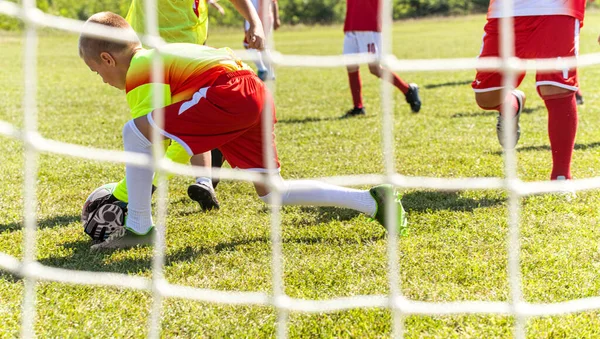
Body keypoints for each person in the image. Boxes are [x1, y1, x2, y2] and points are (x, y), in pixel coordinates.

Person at [78, 12, 408, 250]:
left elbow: (152, 143)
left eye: (96, 73)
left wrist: (123, 196)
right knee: (273, 192)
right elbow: (173, 142)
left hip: (229, 93)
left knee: (133, 132)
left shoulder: (139, 72)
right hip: (254, 91)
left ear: (108, 59)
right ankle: (372, 202)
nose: (103, 81)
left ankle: (138, 228)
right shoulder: (158, 57)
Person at [113, 0, 267, 212]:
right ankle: (197, 177)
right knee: (168, 124)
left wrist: (255, 22)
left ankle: (141, 194)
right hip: (154, 48)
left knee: (172, 124)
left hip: (183, 53)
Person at [472, 0, 587, 181]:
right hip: (505, 11)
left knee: (556, 87)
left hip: (558, 8)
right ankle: (511, 103)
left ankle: (561, 176)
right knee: (486, 96)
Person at [342, 0, 421, 118]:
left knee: (374, 68)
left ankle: (408, 89)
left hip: (368, 24)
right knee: (351, 65)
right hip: (352, 24)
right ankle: (358, 107)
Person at [243, 0, 280, 81]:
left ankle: (266, 71)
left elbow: (274, 2)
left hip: (262, 19)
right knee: (250, 44)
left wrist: (276, 18)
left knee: (259, 45)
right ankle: (265, 70)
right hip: (252, 19)